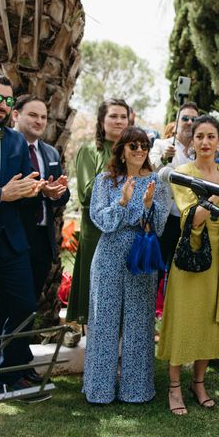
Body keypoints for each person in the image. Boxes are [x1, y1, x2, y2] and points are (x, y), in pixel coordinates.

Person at [156, 115, 219, 415]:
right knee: (185, 319)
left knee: (210, 320)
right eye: (200, 137)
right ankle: (173, 386)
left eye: (211, 136)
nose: (206, 142)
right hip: (191, 255)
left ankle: (198, 383)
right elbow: (190, 218)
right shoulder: (182, 173)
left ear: (218, 139)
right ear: (192, 140)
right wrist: (217, 187)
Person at [83, 127, 170, 403]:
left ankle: (136, 390)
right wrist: (122, 202)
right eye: (133, 146)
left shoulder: (157, 183)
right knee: (104, 322)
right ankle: (99, 390)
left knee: (138, 322)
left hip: (141, 256)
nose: (140, 150)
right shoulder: (105, 181)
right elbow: (103, 222)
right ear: (121, 150)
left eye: (144, 145)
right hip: (108, 255)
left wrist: (146, 206)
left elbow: (157, 226)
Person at [0, 74, 45, 393]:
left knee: (25, 306)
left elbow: (23, 185)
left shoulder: (15, 140)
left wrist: (44, 190)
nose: (3, 105)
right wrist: (1, 194)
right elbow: (6, 191)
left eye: (8, 100)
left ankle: (10, 373)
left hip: (12, 243)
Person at [67, 98, 130, 324]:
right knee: (96, 294)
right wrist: (113, 170)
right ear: (102, 121)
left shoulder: (133, 151)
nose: (119, 121)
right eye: (113, 116)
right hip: (96, 232)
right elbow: (86, 194)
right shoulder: (90, 150)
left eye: (123, 116)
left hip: (125, 231)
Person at [13, 96, 70, 302]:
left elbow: (62, 197)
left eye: (44, 117)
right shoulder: (6, 150)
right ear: (16, 115)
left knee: (30, 305)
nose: (40, 121)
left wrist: (58, 192)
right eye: (33, 115)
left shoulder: (51, 152)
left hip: (42, 242)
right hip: (13, 237)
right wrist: (41, 192)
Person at [149, 102, 198, 276]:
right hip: (165, 217)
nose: (190, 122)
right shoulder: (162, 145)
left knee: (179, 274)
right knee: (156, 273)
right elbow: (150, 169)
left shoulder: (200, 150)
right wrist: (164, 158)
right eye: (185, 118)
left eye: (194, 119)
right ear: (176, 122)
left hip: (189, 221)